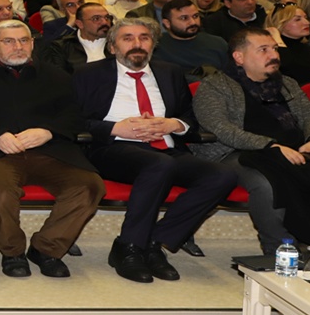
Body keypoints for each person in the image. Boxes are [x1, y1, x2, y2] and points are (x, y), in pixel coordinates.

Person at [72, 17, 238, 283]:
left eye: (144, 38)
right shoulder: (88, 74)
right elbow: (71, 120)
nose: (137, 44)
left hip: (166, 150)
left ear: (153, 45)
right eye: (128, 38)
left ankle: (153, 242)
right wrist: (116, 128)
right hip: (112, 149)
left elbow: (190, 118)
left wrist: (174, 123)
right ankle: (129, 247)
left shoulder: (169, 72)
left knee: (222, 175)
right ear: (112, 47)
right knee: (159, 165)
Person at [193, 28, 310, 255]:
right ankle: (277, 247)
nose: (274, 55)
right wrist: (270, 145)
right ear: (239, 57)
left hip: (291, 147)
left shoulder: (287, 84)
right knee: (267, 183)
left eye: (274, 48)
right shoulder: (215, 86)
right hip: (235, 152)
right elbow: (222, 129)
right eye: (263, 50)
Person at [0, 18, 104, 278]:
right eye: (9, 41)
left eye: (24, 40)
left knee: (89, 185)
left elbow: (74, 117)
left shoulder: (56, 75)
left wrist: (47, 131)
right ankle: (12, 251)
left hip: (51, 151)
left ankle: (46, 248)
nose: (18, 46)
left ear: (32, 43)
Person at [264, 4, 310, 86]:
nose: (307, 22)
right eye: (297, 19)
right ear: (280, 24)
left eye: (306, 18)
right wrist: (277, 39)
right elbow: (288, 68)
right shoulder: (271, 55)